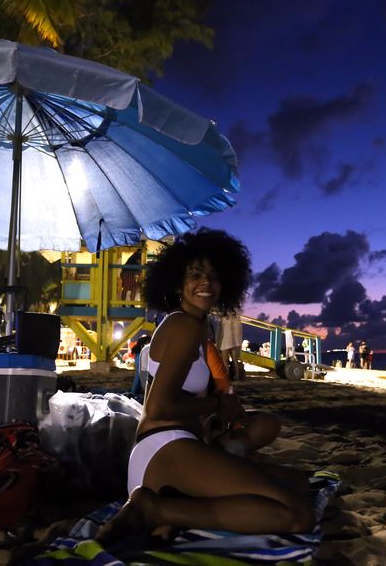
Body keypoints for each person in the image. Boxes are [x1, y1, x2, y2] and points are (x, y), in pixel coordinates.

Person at [96, 229, 312, 545]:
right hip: (163, 448)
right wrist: (217, 406)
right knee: (299, 515)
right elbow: (157, 408)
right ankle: (156, 510)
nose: (206, 283)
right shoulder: (182, 325)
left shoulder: (196, 326)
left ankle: (179, 504)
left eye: (213, 276)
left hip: (181, 444)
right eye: (195, 275)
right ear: (176, 282)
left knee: (300, 484)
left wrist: (218, 412)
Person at [216, 309, 244, 381]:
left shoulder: (223, 318)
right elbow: (239, 331)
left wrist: (218, 344)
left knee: (225, 362)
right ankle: (237, 378)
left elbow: (220, 332)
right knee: (235, 361)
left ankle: (227, 378)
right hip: (235, 341)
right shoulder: (237, 317)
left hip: (225, 340)